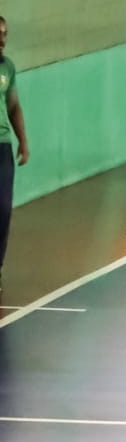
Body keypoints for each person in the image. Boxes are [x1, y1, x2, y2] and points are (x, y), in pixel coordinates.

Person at [0, 16, 30, 306]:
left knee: (3, 209)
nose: (2, 40)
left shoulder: (7, 67)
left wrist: (23, 139)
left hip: (2, 147)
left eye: (5, 35)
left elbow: (13, 104)